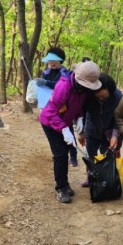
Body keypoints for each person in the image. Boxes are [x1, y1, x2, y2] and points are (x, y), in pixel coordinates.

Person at [39, 61, 102, 203]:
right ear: (79, 79)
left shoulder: (82, 89)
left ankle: (65, 185)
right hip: (50, 122)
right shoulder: (64, 86)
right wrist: (64, 129)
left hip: (65, 122)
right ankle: (60, 188)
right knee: (60, 154)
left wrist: (79, 118)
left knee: (66, 151)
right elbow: (50, 112)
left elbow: (77, 105)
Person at [77, 73, 123, 187]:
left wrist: (114, 136)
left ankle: (108, 179)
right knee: (91, 155)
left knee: (107, 155)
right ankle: (91, 177)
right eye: (99, 96)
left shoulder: (117, 97)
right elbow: (80, 114)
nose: (101, 98)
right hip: (92, 129)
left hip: (109, 131)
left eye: (104, 97)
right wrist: (81, 132)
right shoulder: (88, 95)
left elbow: (119, 118)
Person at [37, 47, 78, 167]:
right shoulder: (45, 73)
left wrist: (47, 83)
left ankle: (73, 155)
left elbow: (62, 85)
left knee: (68, 130)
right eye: (50, 60)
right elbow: (43, 89)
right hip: (50, 106)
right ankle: (58, 154)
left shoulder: (66, 73)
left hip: (63, 107)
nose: (52, 62)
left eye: (54, 60)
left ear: (61, 60)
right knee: (55, 132)